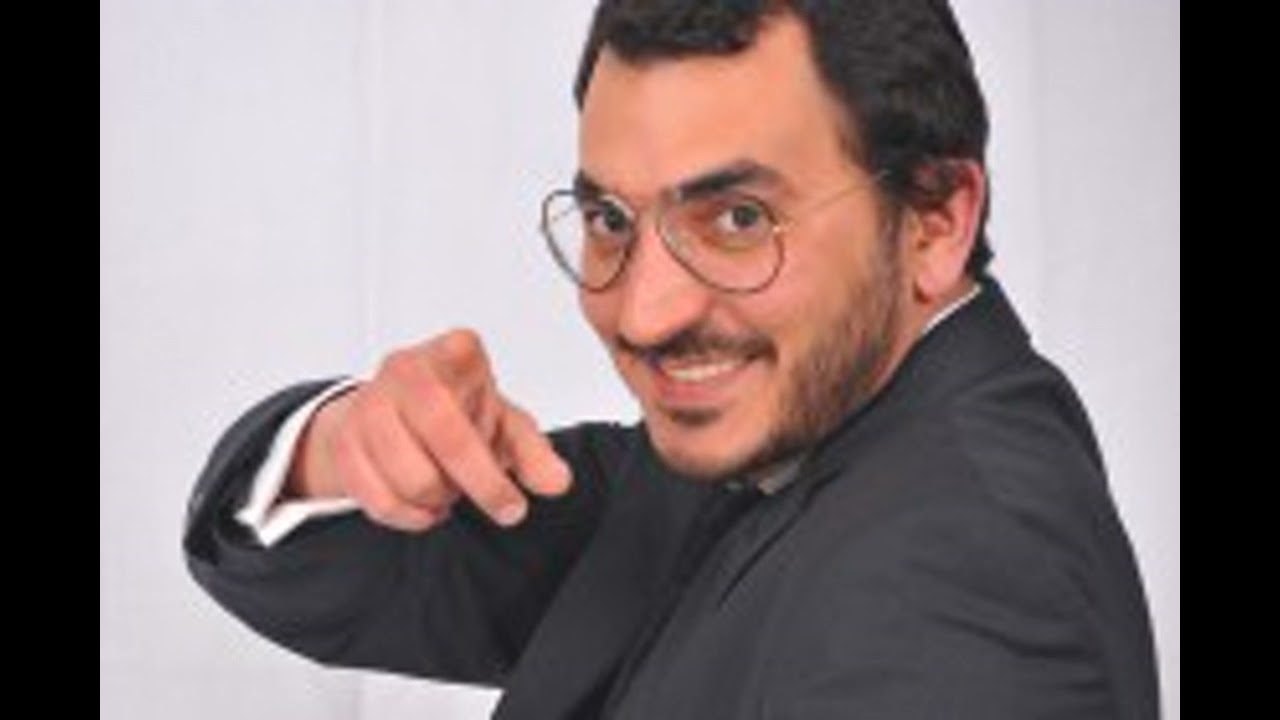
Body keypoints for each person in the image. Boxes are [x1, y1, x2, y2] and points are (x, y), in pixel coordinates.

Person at [184, 1, 1160, 718]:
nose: (646, 316)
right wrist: (342, 444)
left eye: (738, 219)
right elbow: (323, 575)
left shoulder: (968, 572)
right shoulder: (758, 445)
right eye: (610, 219)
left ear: (935, 219)